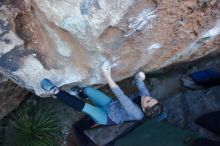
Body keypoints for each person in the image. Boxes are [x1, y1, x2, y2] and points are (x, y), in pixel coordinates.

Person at [40, 61, 165, 125]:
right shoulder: (146, 97)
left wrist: (108, 76)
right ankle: (79, 94)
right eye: (151, 98)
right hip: (111, 105)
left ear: (144, 109)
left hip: (107, 118)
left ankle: (55, 91)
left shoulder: (137, 113)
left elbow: (121, 97)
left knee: (87, 108)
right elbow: (140, 84)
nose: (148, 97)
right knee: (88, 90)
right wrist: (140, 77)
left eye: (148, 101)